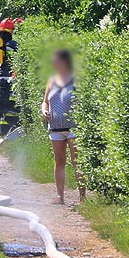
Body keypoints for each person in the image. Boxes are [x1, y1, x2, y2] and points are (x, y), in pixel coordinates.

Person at [41, 49, 85, 205]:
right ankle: (60, 196)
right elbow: (45, 100)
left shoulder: (76, 79)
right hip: (55, 127)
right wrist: (44, 110)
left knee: (76, 161)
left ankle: (82, 197)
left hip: (74, 127)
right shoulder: (51, 80)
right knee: (59, 161)